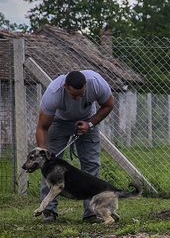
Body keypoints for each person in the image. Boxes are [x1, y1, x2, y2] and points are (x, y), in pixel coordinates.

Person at [36, 70, 115, 222]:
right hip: (58, 123)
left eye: (82, 95)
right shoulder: (54, 93)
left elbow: (109, 104)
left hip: (87, 121)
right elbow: (42, 127)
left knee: (91, 165)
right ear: (65, 86)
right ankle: (49, 212)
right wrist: (43, 155)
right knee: (50, 167)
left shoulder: (96, 83)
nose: (78, 99)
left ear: (86, 85)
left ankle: (91, 213)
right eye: (74, 96)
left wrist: (90, 124)